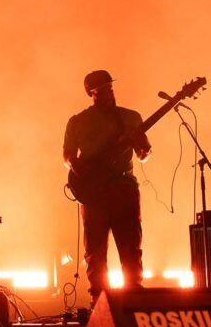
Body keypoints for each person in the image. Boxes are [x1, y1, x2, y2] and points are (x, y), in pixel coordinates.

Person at [63, 69, 151, 301]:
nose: (108, 93)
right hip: (94, 192)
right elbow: (67, 155)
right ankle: (98, 300)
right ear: (90, 93)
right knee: (95, 251)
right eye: (101, 90)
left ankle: (134, 297)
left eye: (110, 88)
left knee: (130, 246)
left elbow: (143, 154)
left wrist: (144, 148)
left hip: (124, 187)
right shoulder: (78, 121)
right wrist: (76, 165)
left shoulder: (131, 117)